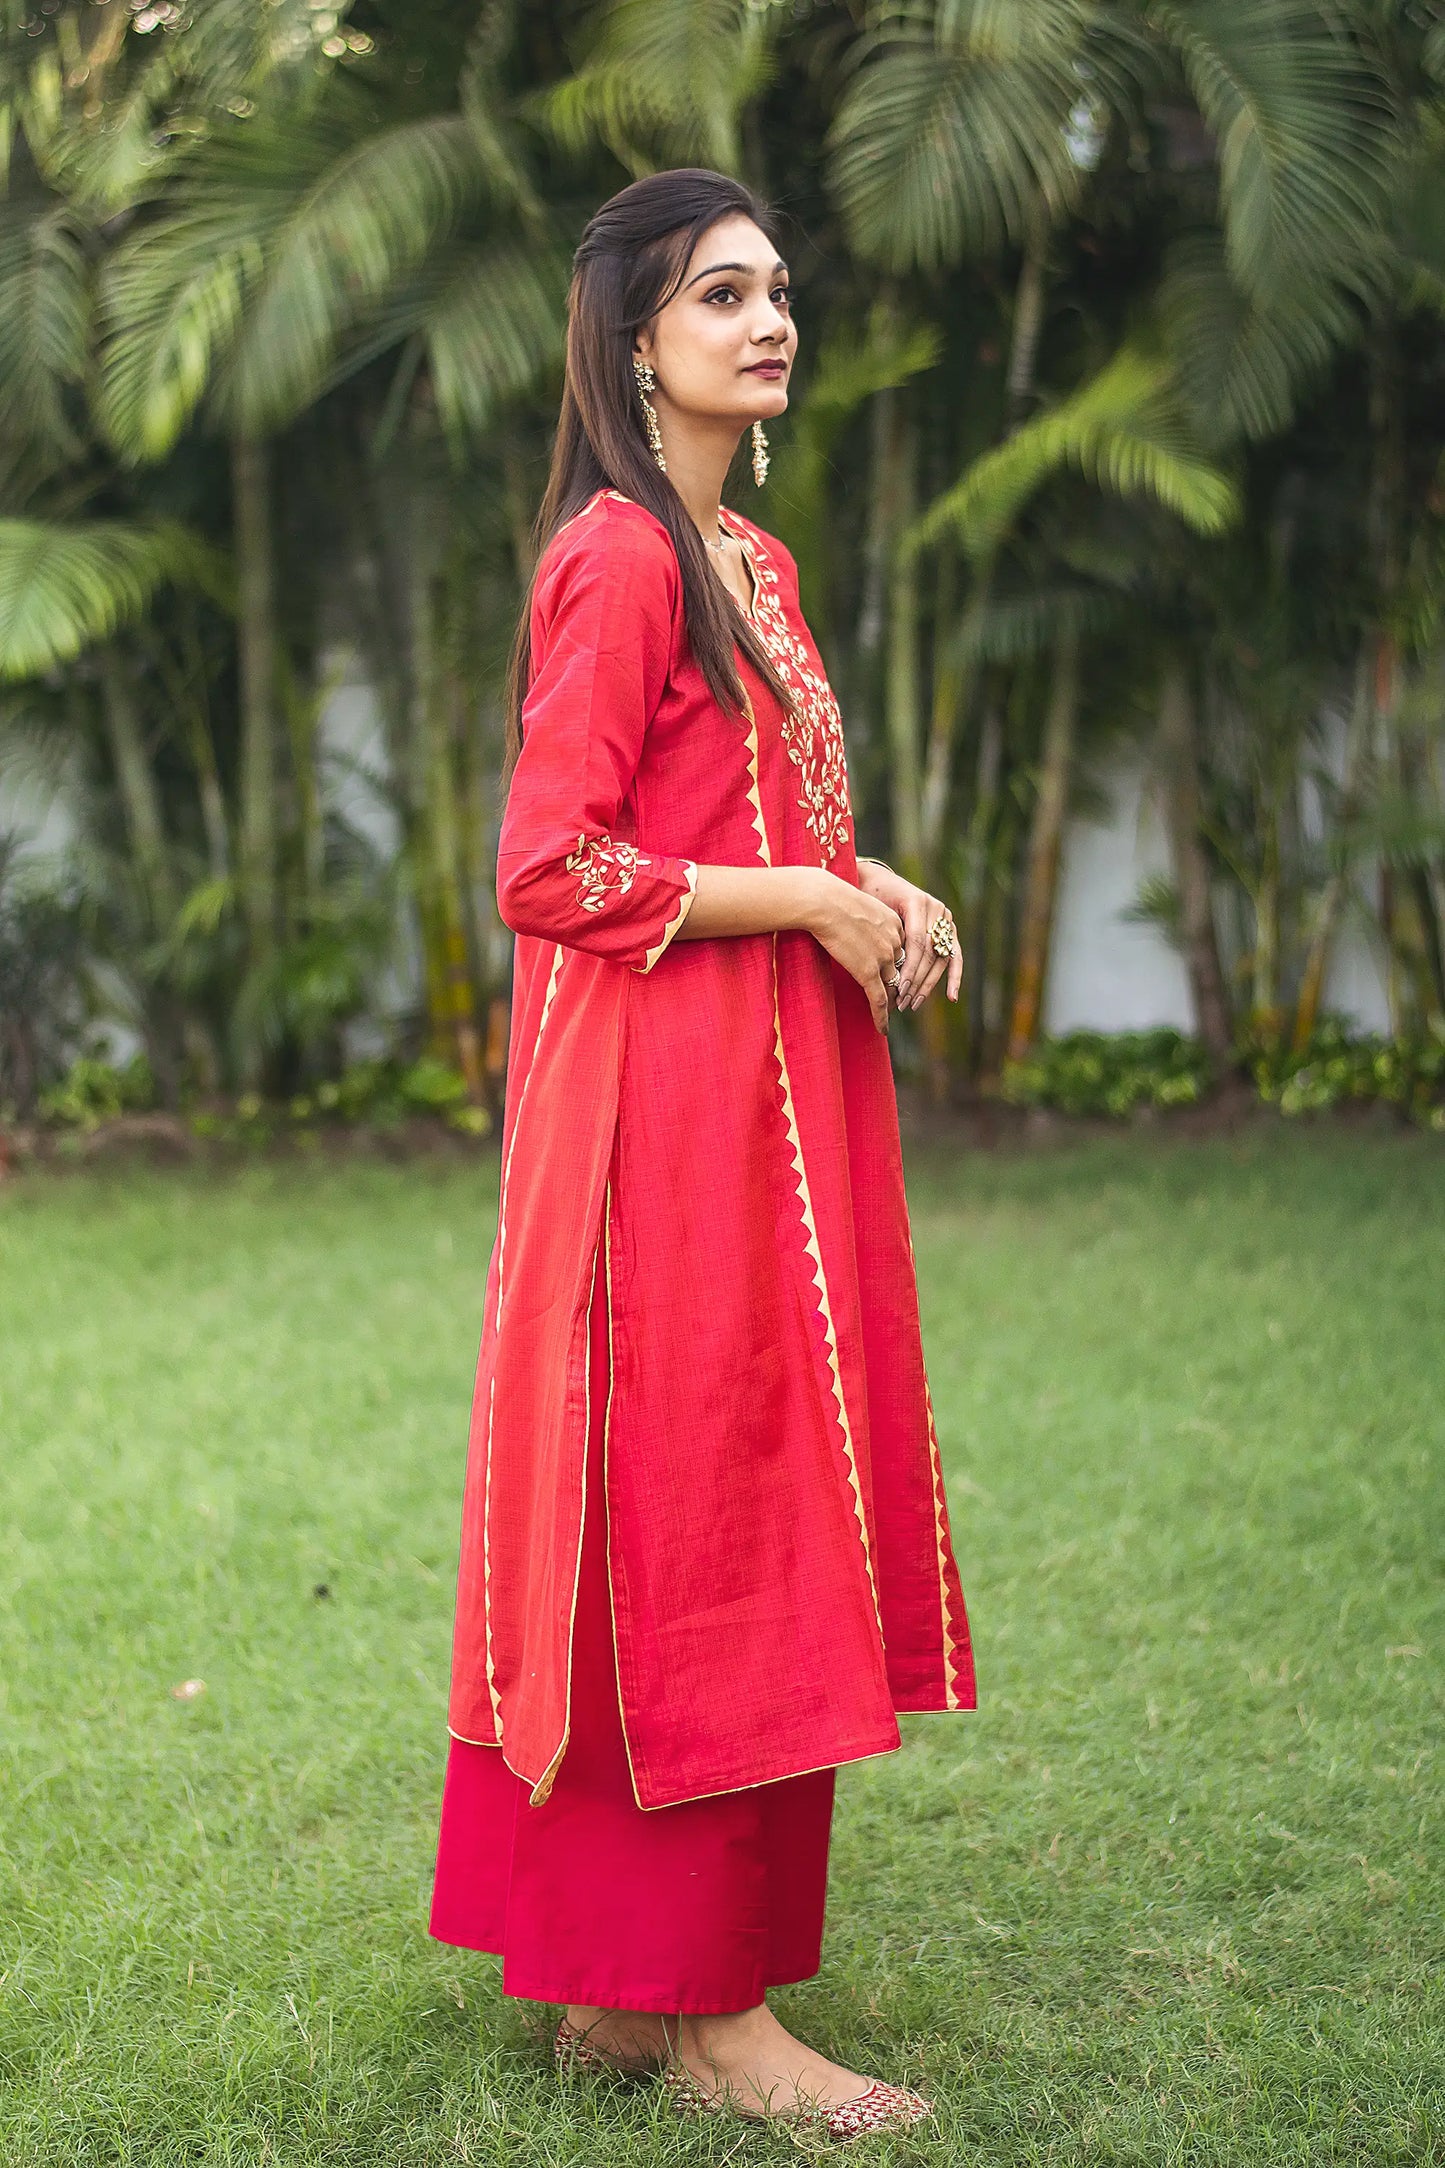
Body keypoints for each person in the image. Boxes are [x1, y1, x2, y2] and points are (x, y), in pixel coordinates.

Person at [429, 167, 975, 2142]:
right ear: (633, 338)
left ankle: (617, 1994)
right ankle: (711, 2008)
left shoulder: (759, 558)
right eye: (721, 294)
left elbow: (740, 812)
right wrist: (808, 911)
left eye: (779, 291)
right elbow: (548, 861)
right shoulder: (619, 557)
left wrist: (863, 889)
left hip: (771, 1105)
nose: (771, 322)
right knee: (700, 1501)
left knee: (742, 1484)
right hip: (670, 1116)